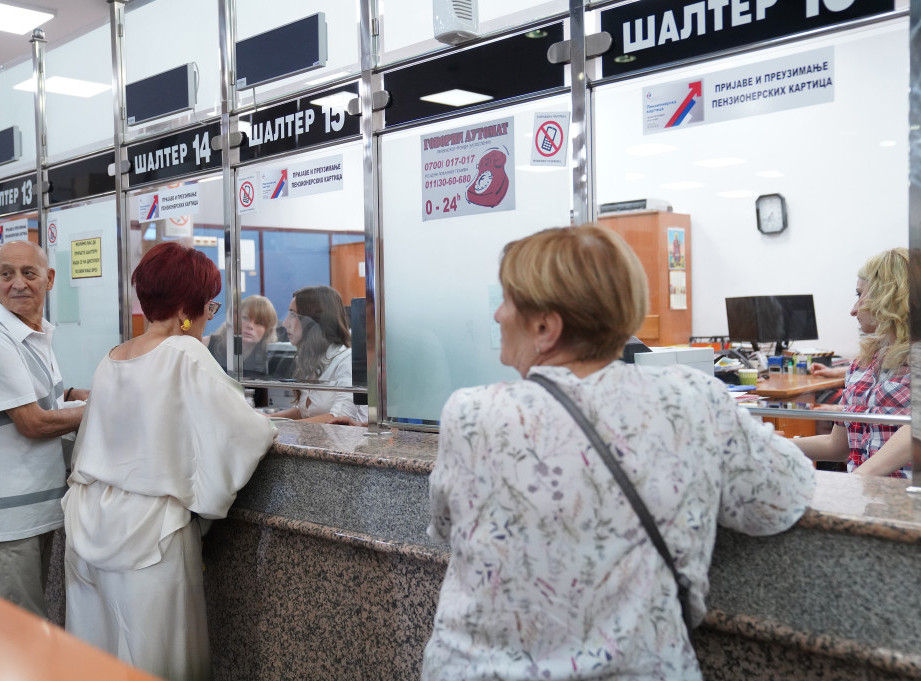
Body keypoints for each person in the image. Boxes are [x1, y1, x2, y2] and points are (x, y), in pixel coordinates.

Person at [421, 225, 815, 681]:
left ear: (546, 327)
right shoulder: (693, 398)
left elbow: (446, 526)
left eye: (507, 300)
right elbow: (780, 496)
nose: (496, 314)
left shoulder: (473, 413)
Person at [62, 242, 276, 681]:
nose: (206, 317)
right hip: (149, 533)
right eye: (208, 305)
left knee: (95, 651)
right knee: (157, 656)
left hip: (89, 519)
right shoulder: (184, 352)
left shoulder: (113, 356)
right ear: (186, 306)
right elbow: (245, 433)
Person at [0, 240, 87, 618]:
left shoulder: (33, 333)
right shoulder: (2, 338)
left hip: (39, 510)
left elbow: (42, 398)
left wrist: (70, 394)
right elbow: (33, 422)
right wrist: (103, 407)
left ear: (49, 280)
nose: (17, 283)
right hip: (12, 523)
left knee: (34, 627)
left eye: (28, 273)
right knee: (20, 638)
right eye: (5, 274)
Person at [794, 248, 911, 477]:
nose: (853, 310)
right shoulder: (862, 365)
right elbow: (837, 447)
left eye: (860, 295)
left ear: (888, 296)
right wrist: (772, 446)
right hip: (865, 501)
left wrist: (854, 485)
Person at [272, 285, 366, 424]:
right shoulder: (312, 359)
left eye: (293, 315)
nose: (285, 323)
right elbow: (306, 411)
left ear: (314, 321)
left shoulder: (347, 360)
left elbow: (338, 419)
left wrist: (284, 426)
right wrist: (269, 419)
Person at [203, 294, 277, 377]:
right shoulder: (207, 344)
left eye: (259, 323)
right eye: (245, 318)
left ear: (267, 330)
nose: (250, 326)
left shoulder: (270, 359)